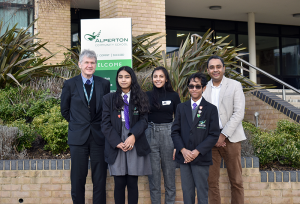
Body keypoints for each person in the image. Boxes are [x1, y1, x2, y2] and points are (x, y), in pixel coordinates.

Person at [60, 49, 110, 204]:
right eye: (87, 62)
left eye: (92, 62)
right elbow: (65, 110)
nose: (90, 65)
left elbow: (106, 110)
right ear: (79, 64)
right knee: (77, 178)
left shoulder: (104, 83)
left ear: (96, 65)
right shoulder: (69, 84)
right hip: (78, 137)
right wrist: (78, 123)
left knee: (100, 179)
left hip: (98, 137)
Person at [101, 66, 151, 204]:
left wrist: (133, 136)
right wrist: (117, 142)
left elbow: (144, 120)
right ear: (117, 79)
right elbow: (105, 124)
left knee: (132, 182)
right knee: (119, 182)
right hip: (116, 140)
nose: (123, 80)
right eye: (120, 77)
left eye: (127, 77)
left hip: (134, 137)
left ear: (132, 78)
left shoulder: (140, 96)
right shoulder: (108, 99)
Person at [204, 55, 246, 204]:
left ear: (224, 68)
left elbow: (239, 113)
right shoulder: (204, 88)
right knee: (211, 182)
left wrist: (223, 135)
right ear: (208, 70)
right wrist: (214, 136)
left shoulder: (235, 85)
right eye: (212, 67)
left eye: (218, 67)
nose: (215, 70)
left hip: (232, 138)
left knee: (236, 181)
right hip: (210, 141)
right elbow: (202, 115)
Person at [171, 72, 219, 204]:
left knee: (202, 193)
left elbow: (214, 134)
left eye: (197, 86)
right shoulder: (181, 107)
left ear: (204, 88)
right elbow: (175, 132)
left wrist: (197, 151)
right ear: (188, 88)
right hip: (184, 158)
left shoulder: (211, 109)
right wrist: (183, 150)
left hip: (201, 158)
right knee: (187, 193)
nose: (194, 89)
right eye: (191, 86)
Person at [145, 66, 181, 204]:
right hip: (150, 133)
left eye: (161, 76)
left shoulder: (174, 96)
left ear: (166, 79)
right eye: (155, 76)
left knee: (169, 177)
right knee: (153, 178)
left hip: (168, 134)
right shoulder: (146, 95)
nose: (158, 79)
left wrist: (177, 143)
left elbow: (179, 119)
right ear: (152, 79)